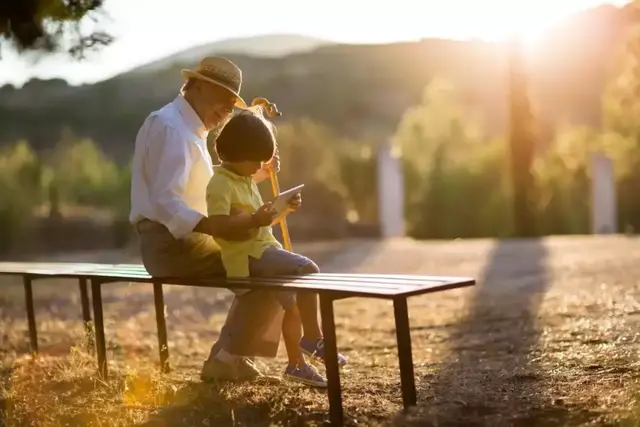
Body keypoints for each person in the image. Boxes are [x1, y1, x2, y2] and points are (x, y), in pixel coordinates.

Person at [129, 56, 297, 381]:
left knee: (269, 262)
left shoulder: (188, 129)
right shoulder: (169, 127)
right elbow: (166, 201)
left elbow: (209, 193)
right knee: (269, 266)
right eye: (224, 103)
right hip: (172, 246)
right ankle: (227, 359)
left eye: (231, 106)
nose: (226, 113)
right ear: (200, 86)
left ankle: (231, 357)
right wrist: (216, 226)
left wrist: (253, 173)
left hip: (186, 240)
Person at [205, 107, 348, 387]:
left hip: (260, 249)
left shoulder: (244, 180)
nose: (260, 167)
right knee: (307, 268)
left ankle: (296, 364)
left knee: (291, 305)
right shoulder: (220, 184)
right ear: (236, 154)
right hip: (245, 256)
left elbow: (258, 223)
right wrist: (255, 218)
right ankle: (312, 338)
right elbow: (219, 226)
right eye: (256, 160)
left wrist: (281, 211)